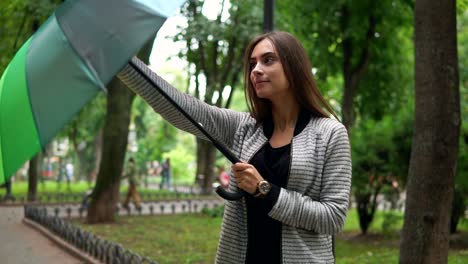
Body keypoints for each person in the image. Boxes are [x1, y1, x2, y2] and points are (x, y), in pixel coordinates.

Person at [118, 31, 351, 263]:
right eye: (252, 64)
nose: (256, 70)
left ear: (293, 66)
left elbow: (333, 218)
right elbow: (181, 108)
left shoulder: (330, 134)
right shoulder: (245, 127)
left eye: (268, 60)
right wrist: (119, 61)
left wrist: (265, 191)